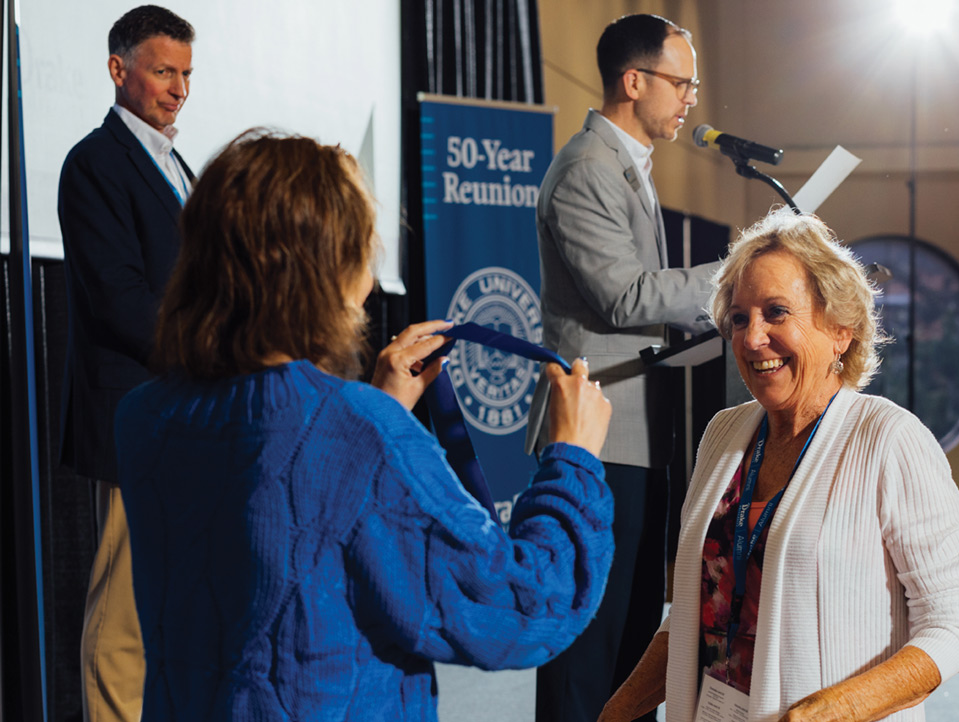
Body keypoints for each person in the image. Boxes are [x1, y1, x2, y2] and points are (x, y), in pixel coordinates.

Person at [112, 130, 616, 721]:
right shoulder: (355, 431)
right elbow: (523, 609)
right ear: (316, 269)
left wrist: (381, 408)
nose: (370, 283)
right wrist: (572, 461)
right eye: (359, 254)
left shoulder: (145, 418)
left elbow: (283, 557)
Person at [600, 209, 959, 722]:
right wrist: (617, 711)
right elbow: (697, 613)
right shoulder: (722, 435)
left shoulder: (889, 439)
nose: (752, 338)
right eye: (739, 318)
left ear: (840, 330)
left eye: (776, 312)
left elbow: (954, 623)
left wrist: (829, 711)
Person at [523, 14, 719, 721]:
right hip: (596, 439)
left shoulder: (627, 164)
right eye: (681, 81)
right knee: (589, 645)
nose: (691, 96)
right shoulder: (586, 168)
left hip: (637, 433)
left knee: (635, 641)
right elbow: (626, 294)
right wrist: (734, 281)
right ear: (634, 82)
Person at [57, 5, 195, 720]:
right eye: (164, 71)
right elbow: (118, 300)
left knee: (173, 612)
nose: (179, 89)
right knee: (122, 624)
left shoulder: (177, 160)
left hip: (192, 417)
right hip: (135, 418)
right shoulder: (93, 163)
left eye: (187, 74)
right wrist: (213, 345)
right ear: (119, 70)